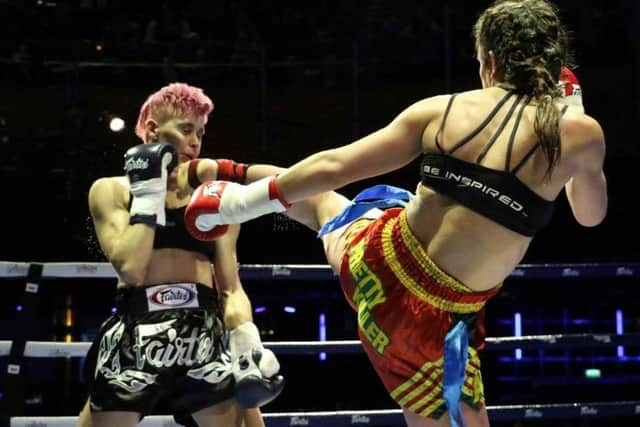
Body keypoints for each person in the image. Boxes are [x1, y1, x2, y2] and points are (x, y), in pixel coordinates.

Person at [182, 1, 607, 426]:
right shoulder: (579, 133)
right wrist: (576, 114)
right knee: (328, 206)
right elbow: (590, 215)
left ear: (490, 62)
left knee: (326, 203)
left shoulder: (444, 110)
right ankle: (228, 182)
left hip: (390, 270)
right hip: (421, 312)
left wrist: (239, 207)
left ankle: (227, 179)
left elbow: (334, 165)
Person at [78, 82, 284, 427]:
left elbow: (231, 289)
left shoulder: (212, 199)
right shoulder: (111, 190)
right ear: (153, 129)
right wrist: (149, 191)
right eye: (186, 129)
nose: (195, 142)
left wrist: (246, 341)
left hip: (201, 333)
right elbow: (130, 267)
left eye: (200, 133)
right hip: (135, 332)